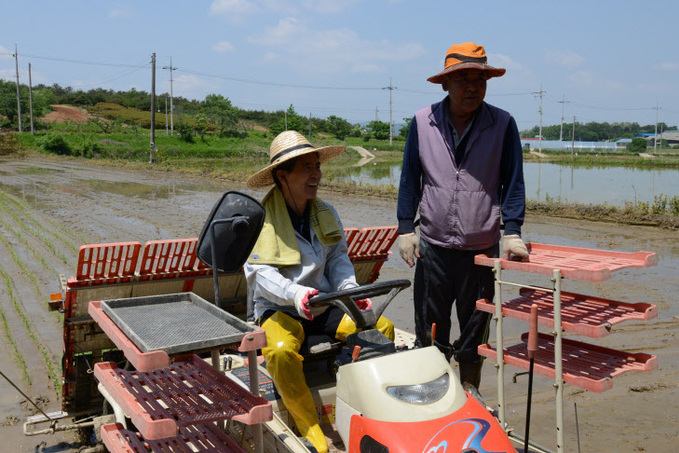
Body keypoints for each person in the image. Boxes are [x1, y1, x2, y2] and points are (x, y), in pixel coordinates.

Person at [244, 130, 395, 453]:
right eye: (307, 168)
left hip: (325, 304)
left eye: (317, 166)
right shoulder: (261, 220)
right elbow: (259, 273)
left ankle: (370, 407)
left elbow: (338, 258)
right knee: (282, 350)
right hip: (279, 309)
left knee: (381, 328)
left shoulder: (325, 212)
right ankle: (310, 426)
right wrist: (294, 294)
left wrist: (350, 290)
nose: (317, 174)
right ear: (282, 176)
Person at [396, 42, 529, 393]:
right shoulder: (423, 122)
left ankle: (470, 391)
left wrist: (512, 231)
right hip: (434, 248)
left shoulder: (502, 124)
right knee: (431, 328)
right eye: (462, 79)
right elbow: (410, 179)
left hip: (481, 250)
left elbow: (513, 180)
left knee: (475, 327)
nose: (472, 87)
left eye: (479, 80)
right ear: (445, 83)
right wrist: (406, 228)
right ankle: (434, 392)